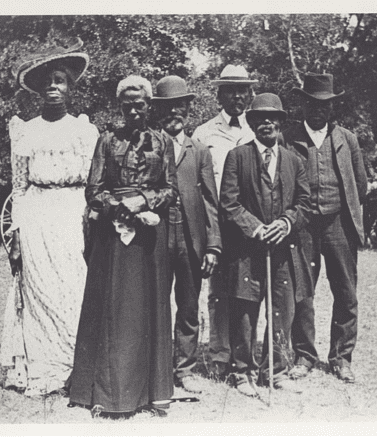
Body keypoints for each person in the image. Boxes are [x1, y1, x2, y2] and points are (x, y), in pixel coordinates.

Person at [69, 75, 178, 418]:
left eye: (140, 104)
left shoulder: (162, 142)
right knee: (113, 309)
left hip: (149, 237)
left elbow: (171, 189)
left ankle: (149, 393)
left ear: (149, 106)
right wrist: (121, 208)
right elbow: (94, 188)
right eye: (127, 104)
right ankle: (108, 393)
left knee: (147, 309)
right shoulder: (106, 141)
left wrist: (144, 201)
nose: (134, 110)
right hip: (112, 236)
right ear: (120, 106)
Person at [0, 38, 100, 397]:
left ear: (71, 87)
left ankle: (76, 366)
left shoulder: (84, 131)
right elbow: (20, 186)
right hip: (38, 215)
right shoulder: (25, 131)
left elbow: (94, 184)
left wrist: (92, 221)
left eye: (60, 80)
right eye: (47, 83)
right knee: (40, 289)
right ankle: (42, 367)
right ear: (39, 91)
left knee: (72, 288)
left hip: (73, 215)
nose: (53, 88)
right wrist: (17, 231)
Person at [219, 93, 313, 397]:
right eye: (260, 119)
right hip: (247, 250)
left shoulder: (294, 160)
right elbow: (229, 204)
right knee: (245, 311)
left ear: (281, 123)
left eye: (273, 118)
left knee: (281, 312)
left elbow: (305, 203)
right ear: (252, 123)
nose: (266, 123)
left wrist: (285, 223)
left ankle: (275, 370)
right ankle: (241, 371)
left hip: (283, 250)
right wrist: (256, 228)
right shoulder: (238, 156)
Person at [282, 73, 368, 383]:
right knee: (302, 293)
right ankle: (304, 355)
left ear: (332, 108)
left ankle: (341, 358)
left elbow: (360, 184)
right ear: (303, 104)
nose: (319, 110)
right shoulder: (287, 138)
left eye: (326, 105)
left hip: (339, 224)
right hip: (302, 226)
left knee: (345, 292)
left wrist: (344, 212)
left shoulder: (347, 139)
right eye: (313, 103)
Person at [150, 76, 221, 394]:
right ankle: (157, 366)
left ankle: (186, 368)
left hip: (192, 240)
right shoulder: (148, 145)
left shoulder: (200, 150)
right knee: (156, 303)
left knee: (189, 306)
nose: (174, 113)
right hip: (157, 239)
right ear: (158, 111)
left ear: (188, 110)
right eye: (167, 107)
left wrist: (213, 246)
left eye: (180, 106)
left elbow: (210, 201)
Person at [191, 65, 257, 377]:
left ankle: (245, 354)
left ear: (250, 94)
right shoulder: (203, 133)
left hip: (249, 226)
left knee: (247, 291)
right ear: (219, 94)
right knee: (217, 291)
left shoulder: (258, 130)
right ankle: (218, 355)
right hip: (216, 224)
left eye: (242, 90)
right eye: (230, 90)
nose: (237, 96)